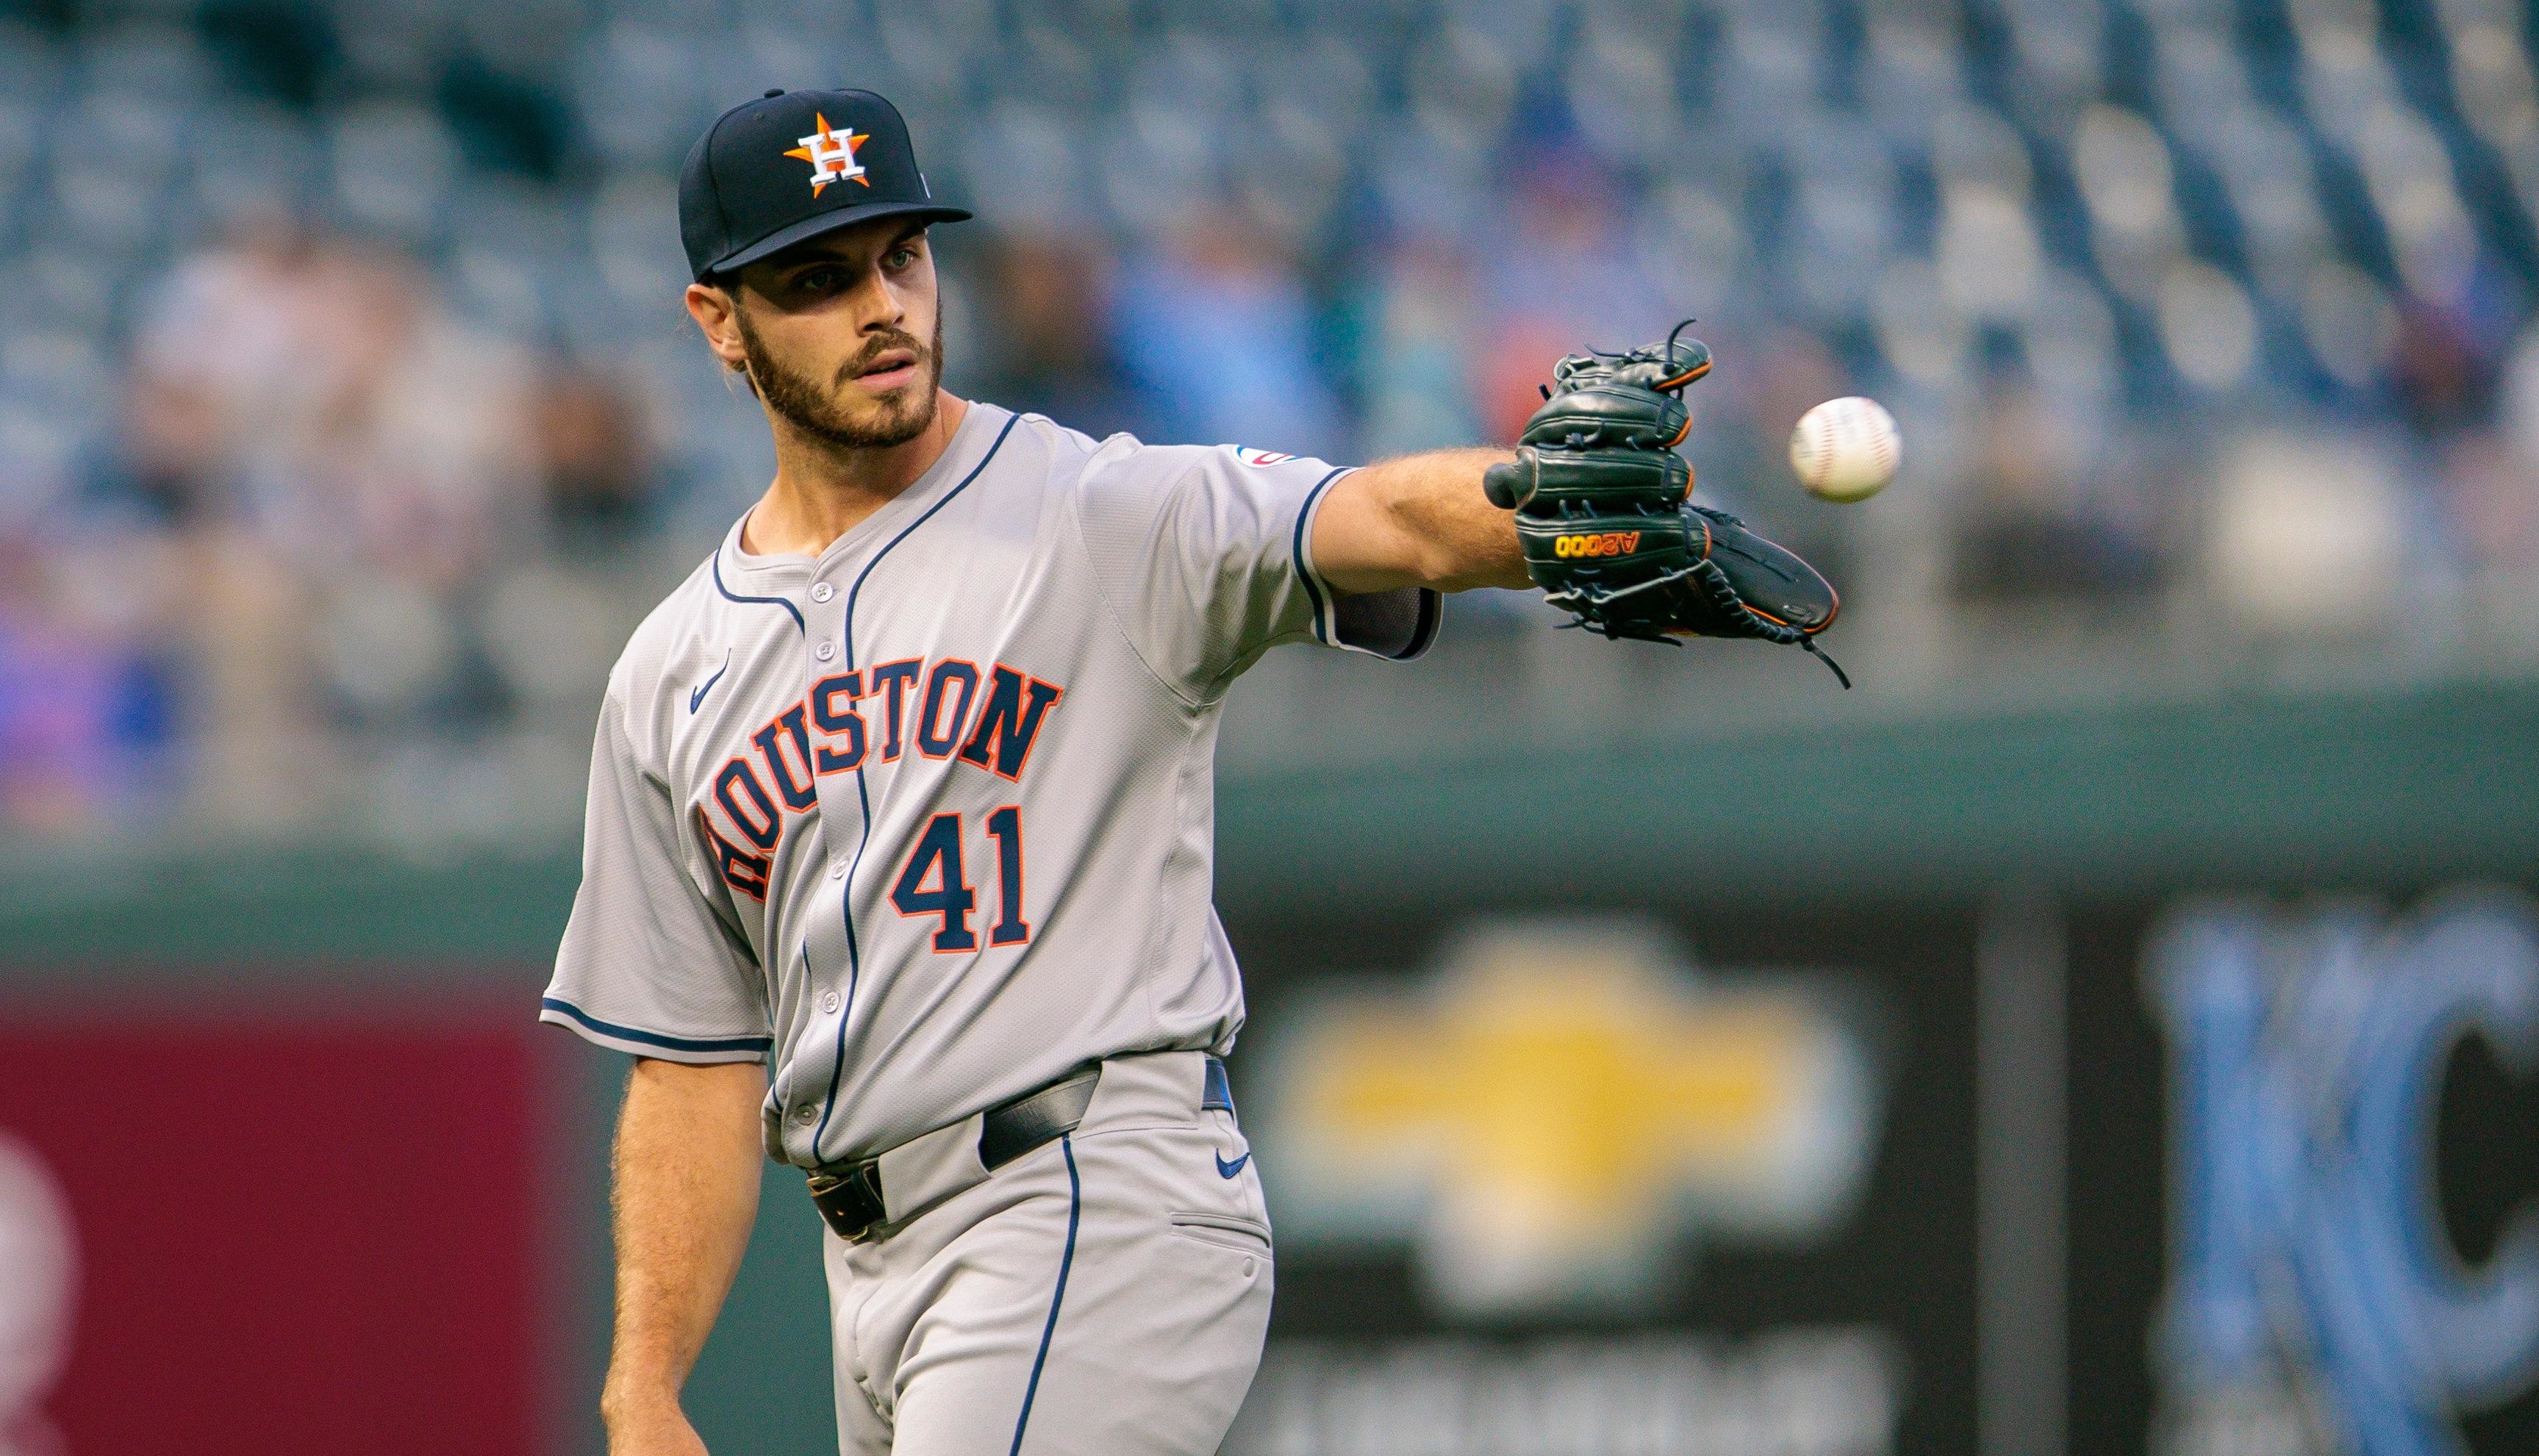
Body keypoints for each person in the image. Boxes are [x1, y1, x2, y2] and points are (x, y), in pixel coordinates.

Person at [538, 87, 1837, 1456]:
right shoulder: (667, 672)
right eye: (817, 279)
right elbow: (693, 1066)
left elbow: (1374, 513)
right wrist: (643, 1381)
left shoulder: (1096, 509)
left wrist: (1529, 504)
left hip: (1090, 1197)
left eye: (901, 257)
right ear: (717, 322)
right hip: (869, 1273)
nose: (882, 305)